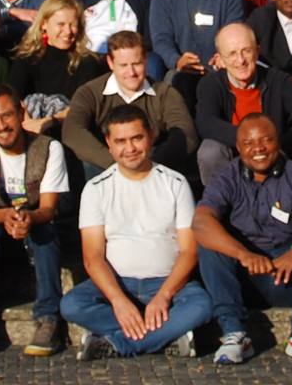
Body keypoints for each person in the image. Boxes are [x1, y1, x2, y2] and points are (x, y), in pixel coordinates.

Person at [60, 104, 213, 360]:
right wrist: (118, 301)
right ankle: (165, 337)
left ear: (150, 137)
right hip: (118, 282)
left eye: (136, 138)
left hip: (167, 282)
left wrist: (164, 296)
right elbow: (93, 256)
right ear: (108, 144)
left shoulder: (175, 183)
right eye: (120, 141)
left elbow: (189, 250)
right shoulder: (96, 188)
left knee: (202, 305)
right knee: (72, 305)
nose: (129, 148)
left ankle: (118, 343)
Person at [194, 114, 292, 364]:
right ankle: (234, 332)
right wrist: (243, 253)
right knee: (210, 246)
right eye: (249, 143)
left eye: (266, 140)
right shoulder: (226, 178)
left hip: (289, 273)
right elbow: (201, 221)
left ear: (279, 142)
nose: (258, 149)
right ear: (238, 148)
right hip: (246, 276)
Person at [0, 84, 69, 357]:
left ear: (21, 113)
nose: (1, 125)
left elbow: (49, 208)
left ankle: (48, 318)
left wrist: (28, 218)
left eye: (7, 115)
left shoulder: (49, 148)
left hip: (36, 223)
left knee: (46, 233)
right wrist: (5, 216)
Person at [194, 23, 292, 185]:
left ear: (257, 52)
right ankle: (220, 205)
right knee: (210, 150)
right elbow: (206, 122)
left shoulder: (279, 80)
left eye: (246, 51)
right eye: (232, 54)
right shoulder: (211, 84)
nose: (240, 61)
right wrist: (250, 142)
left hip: (276, 156)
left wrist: (277, 145)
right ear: (219, 59)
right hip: (234, 157)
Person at [63, 31, 197, 175]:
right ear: (110, 63)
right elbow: (72, 131)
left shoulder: (165, 93)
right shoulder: (89, 93)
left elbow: (186, 134)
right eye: (123, 65)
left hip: (153, 163)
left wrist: (151, 168)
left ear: (146, 60)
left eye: (136, 64)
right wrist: (118, 167)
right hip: (106, 165)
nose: (131, 72)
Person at [8, 0, 105, 133]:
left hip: (70, 131)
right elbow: (13, 96)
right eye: (61, 24)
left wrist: (48, 123)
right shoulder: (27, 58)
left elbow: (84, 106)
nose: (67, 31)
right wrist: (29, 123)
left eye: (73, 25)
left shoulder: (87, 62)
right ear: (44, 24)